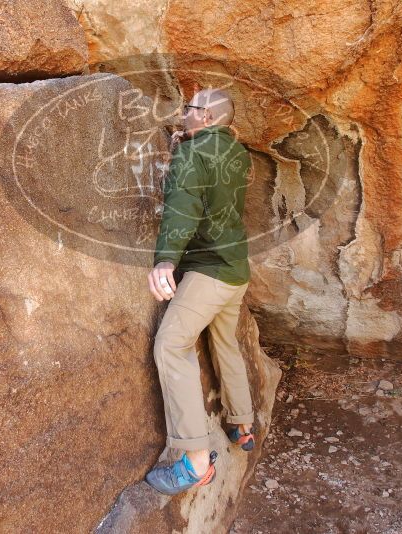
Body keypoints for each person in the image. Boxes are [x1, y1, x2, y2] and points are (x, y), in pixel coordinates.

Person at [144, 88, 256, 496]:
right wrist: (188, 142)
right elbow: (213, 183)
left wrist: (165, 260)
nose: (182, 113)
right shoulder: (237, 152)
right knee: (225, 342)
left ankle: (193, 462)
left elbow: (183, 205)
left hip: (208, 271)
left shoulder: (192, 155)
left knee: (172, 344)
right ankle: (242, 424)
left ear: (206, 117)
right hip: (237, 270)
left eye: (189, 109)